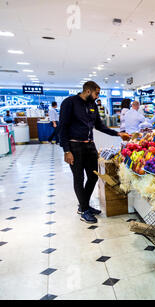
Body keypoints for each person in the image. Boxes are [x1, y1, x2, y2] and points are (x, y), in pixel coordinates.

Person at [59, 81, 130, 224]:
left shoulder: (93, 105)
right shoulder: (70, 102)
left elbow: (99, 125)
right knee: (78, 178)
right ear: (88, 91)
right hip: (75, 147)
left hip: (90, 146)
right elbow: (62, 127)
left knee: (93, 177)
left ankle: (83, 205)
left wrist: (118, 134)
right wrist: (67, 150)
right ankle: (84, 210)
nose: (98, 96)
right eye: (96, 93)